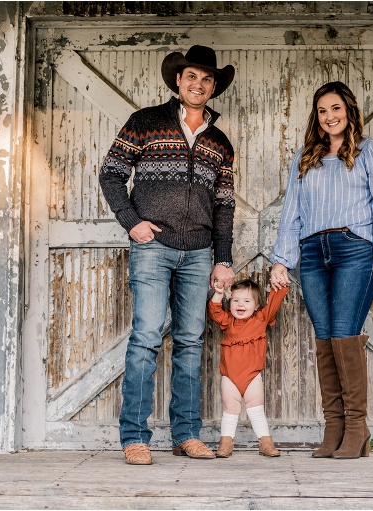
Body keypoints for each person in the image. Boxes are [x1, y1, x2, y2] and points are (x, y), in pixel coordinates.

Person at [99, 45, 237, 465]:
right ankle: (135, 437)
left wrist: (223, 258)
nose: (199, 84)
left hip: (198, 253)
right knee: (145, 337)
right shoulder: (146, 122)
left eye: (207, 79)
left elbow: (225, 204)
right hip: (153, 248)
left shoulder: (219, 142)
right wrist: (131, 221)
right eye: (192, 76)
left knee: (192, 342)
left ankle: (186, 434)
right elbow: (111, 173)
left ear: (214, 87)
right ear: (178, 80)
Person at [269, 81, 373, 459]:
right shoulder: (305, 156)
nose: (329, 117)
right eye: (323, 111)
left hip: (354, 250)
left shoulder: (368, 151)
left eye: (336, 109)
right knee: (325, 336)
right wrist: (282, 259)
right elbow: (291, 214)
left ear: (349, 110)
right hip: (312, 253)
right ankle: (335, 428)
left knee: (344, 332)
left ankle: (357, 428)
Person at [207, 279, 289, 458]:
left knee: (256, 408)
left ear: (257, 304)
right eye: (235, 300)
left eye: (246, 301)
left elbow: (274, 303)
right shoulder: (228, 321)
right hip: (230, 375)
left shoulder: (261, 318)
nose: (240, 304)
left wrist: (280, 284)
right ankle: (226, 443)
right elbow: (214, 311)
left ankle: (265, 443)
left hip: (252, 375)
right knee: (230, 408)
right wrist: (219, 294)